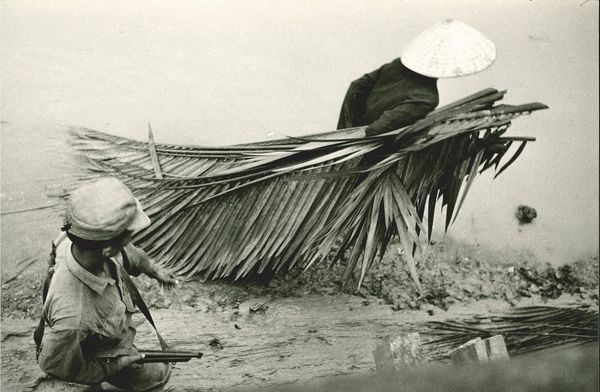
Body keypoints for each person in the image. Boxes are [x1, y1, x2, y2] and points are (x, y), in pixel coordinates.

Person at [36, 177, 178, 391]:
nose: (130, 240)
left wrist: (154, 270)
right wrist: (116, 366)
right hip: (102, 355)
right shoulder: (74, 315)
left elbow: (130, 254)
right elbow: (55, 365)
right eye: (128, 235)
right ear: (107, 250)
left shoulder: (81, 240)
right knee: (157, 378)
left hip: (104, 337)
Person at [337, 19, 496, 137]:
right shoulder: (427, 97)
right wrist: (359, 136)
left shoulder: (397, 65)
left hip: (356, 130)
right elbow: (382, 126)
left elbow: (356, 88)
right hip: (367, 143)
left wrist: (345, 130)